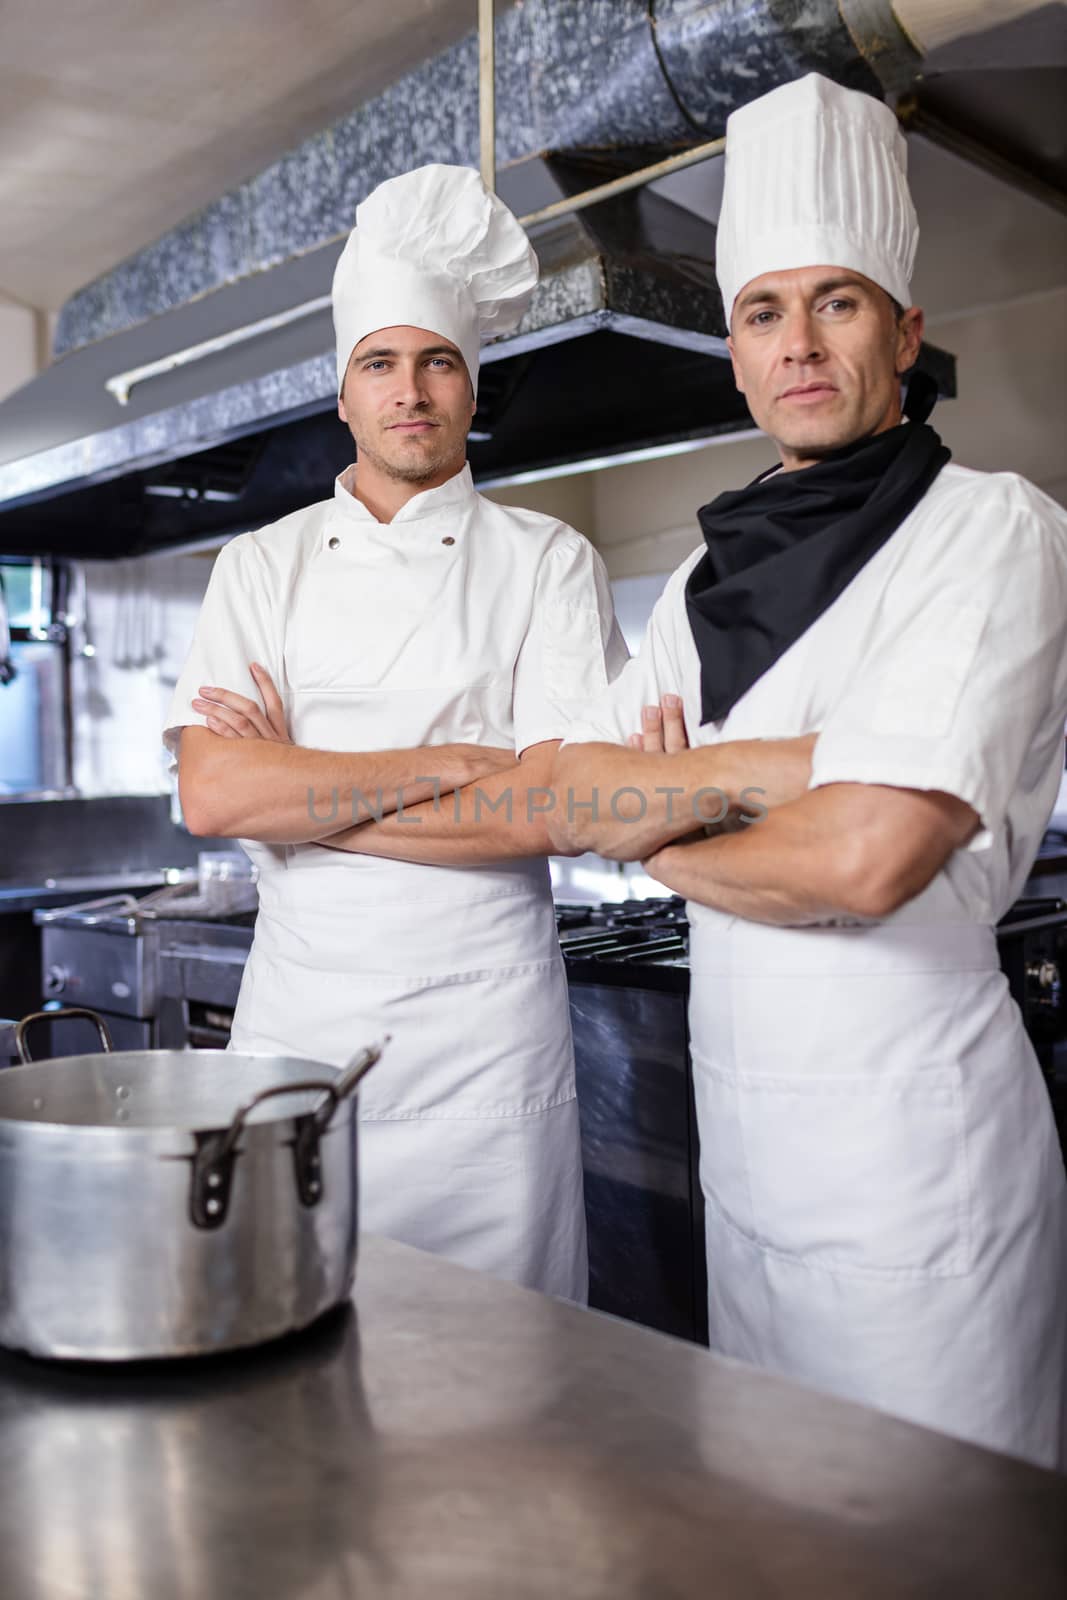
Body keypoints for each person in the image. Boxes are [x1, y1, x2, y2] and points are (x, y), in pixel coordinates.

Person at [548, 74, 1067, 1468]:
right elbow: (576, 793)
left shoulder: (992, 532)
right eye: (762, 311)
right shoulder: (700, 578)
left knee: (935, 1539)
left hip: (916, 1179)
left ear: (901, 330)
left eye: (833, 303)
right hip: (748, 1157)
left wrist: (663, 826)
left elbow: (865, 858)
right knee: (778, 1524)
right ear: (730, 350)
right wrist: (779, 781)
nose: (798, 344)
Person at [165, 163, 627, 1301]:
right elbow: (214, 797)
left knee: (505, 1386)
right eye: (380, 362)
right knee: (293, 1363)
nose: (408, 390)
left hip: (486, 1055)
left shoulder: (547, 561)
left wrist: (304, 795)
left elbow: (557, 806)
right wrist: (440, 765)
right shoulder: (258, 566)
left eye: (436, 362)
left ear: (471, 387)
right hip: (301, 1037)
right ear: (342, 391)